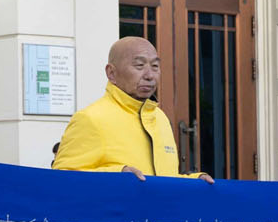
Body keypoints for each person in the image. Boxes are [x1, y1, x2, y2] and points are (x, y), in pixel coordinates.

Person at [52, 35, 212, 181]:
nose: (150, 75)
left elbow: (163, 180)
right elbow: (63, 179)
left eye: (155, 66)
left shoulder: (160, 118)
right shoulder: (91, 118)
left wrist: (195, 182)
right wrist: (119, 175)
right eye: (139, 66)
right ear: (111, 73)